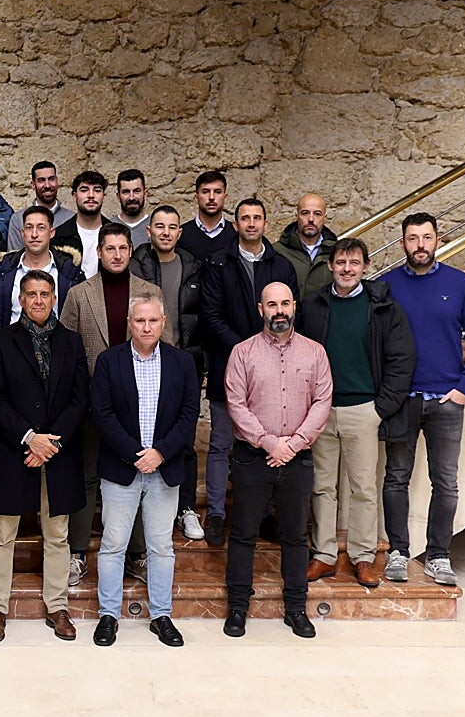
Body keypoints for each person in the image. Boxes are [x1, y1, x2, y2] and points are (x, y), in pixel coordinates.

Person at [299, 238, 415, 587]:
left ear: (365, 267)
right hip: (321, 410)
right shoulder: (314, 305)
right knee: (322, 487)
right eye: (340, 262)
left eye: (354, 262)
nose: (347, 268)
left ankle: (363, 557)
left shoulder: (382, 307)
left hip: (364, 409)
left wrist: (381, 408)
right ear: (330, 266)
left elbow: (402, 359)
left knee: (363, 487)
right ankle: (323, 554)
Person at [0, 270, 89, 643]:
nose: (39, 300)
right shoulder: (1, 342)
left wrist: (50, 443)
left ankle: (57, 606)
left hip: (58, 453)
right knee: (3, 533)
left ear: (54, 298)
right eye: (31, 294)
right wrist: (29, 438)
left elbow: (80, 399)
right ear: (21, 300)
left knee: (58, 534)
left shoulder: (72, 343)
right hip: (13, 451)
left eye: (45, 294)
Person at [381, 212, 465, 586]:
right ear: (403, 244)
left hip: (446, 400)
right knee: (396, 477)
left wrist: (464, 390)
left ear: (438, 240)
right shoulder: (386, 285)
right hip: (401, 399)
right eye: (413, 238)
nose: (420, 245)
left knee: (445, 482)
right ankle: (397, 551)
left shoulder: (461, 284)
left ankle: (438, 555)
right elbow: (374, 342)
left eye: (426, 237)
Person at [90, 289, 200, 647]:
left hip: (164, 469)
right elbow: (102, 414)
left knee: (161, 546)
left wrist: (160, 453)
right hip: (122, 467)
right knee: (113, 544)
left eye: (154, 320)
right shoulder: (109, 361)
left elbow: (188, 415)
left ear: (164, 322)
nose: (147, 326)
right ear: (129, 323)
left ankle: (161, 616)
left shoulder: (182, 362)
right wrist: (137, 452)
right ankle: (108, 615)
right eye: (140, 320)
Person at [223, 282, 332, 639]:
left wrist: (295, 443)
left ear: (294, 307)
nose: (279, 310)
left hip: (297, 459)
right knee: (243, 535)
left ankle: (296, 609)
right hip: (253, 457)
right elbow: (236, 404)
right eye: (272, 304)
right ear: (261, 310)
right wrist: (270, 443)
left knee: (296, 536)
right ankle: (238, 608)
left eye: (285, 303)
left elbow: (322, 403)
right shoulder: (242, 353)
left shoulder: (315, 353)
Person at [59, 222, 158, 585]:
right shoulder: (79, 295)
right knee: (86, 478)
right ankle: (78, 553)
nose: (116, 255)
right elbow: (67, 352)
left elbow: (167, 344)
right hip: (89, 402)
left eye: (122, 248)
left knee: (134, 477)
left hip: (138, 405)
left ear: (131, 251)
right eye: (109, 249)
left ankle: (137, 553)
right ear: (98, 253)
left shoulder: (150, 291)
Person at [199, 198, 298, 546]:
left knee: (268, 441)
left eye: (258, 217)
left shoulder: (281, 266)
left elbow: (287, 317)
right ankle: (215, 514)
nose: (251, 223)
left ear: (266, 223)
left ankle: (266, 514)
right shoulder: (217, 262)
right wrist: (247, 351)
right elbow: (210, 317)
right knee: (221, 443)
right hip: (228, 366)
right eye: (245, 218)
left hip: (277, 374)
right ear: (235, 224)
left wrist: (266, 352)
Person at [130, 205, 206, 539]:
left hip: (183, 360)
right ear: (149, 231)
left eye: (172, 227)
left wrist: (198, 358)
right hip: (145, 358)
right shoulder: (138, 264)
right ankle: (140, 508)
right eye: (158, 226)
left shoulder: (193, 265)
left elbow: (203, 316)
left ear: (179, 231)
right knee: (145, 435)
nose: (165, 232)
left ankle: (186, 508)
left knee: (183, 438)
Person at [0, 205, 84, 331]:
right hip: (12, 347)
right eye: (29, 228)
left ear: (51, 233)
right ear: (22, 233)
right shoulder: (3, 273)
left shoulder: (70, 274)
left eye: (41, 228)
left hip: (57, 348)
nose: (34, 234)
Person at [277, 193, 337, 299]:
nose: (310, 219)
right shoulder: (277, 251)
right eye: (305, 213)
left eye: (317, 214)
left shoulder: (337, 253)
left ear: (325, 217)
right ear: (297, 216)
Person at [7, 160, 74, 250]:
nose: (47, 185)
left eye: (51, 179)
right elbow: (13, 259)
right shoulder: (18, 219)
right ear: (33, 185)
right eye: (41, 180)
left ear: (57, 181)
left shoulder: (72, 218)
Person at [52, 170, 106, 278]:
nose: (91, 195)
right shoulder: (59, 236)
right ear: (74, 196)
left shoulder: (117, 234)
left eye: (97, 190)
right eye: (84, 190)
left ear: (103, 196)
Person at [177, 171, 236, 262]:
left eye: (217, 192)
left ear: (225, 197)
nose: (211, 197)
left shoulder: (236, 235)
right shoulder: (181, 235)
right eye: (205, 192)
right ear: (196, 197)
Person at [114, 168, 151, 247]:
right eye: (126, 192)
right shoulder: (109, 226)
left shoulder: (156, 228)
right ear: (118, 196)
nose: (131, 197)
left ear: (145, 194)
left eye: (136, 191)